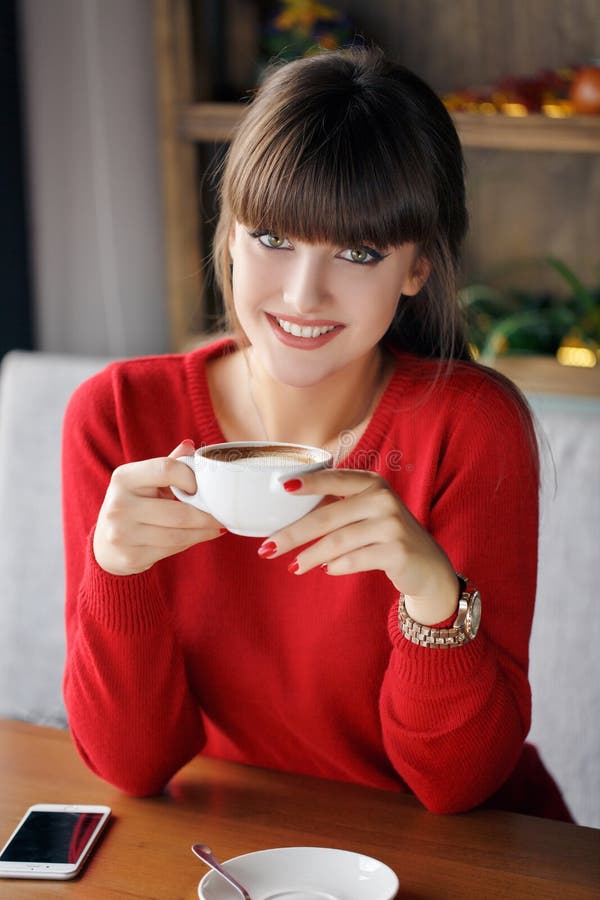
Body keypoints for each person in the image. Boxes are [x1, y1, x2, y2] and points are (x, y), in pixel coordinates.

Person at [62, 46, 571, 819]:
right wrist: (117, 574)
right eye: (273, 237)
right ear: (230, 233)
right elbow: (133, 768)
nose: (305, 294)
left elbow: (457, 785)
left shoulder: (469, 426)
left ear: (417, 270)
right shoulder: (119, 418)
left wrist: (434, 599)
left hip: (467, 857)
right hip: (251, 848)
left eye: (358, 252)